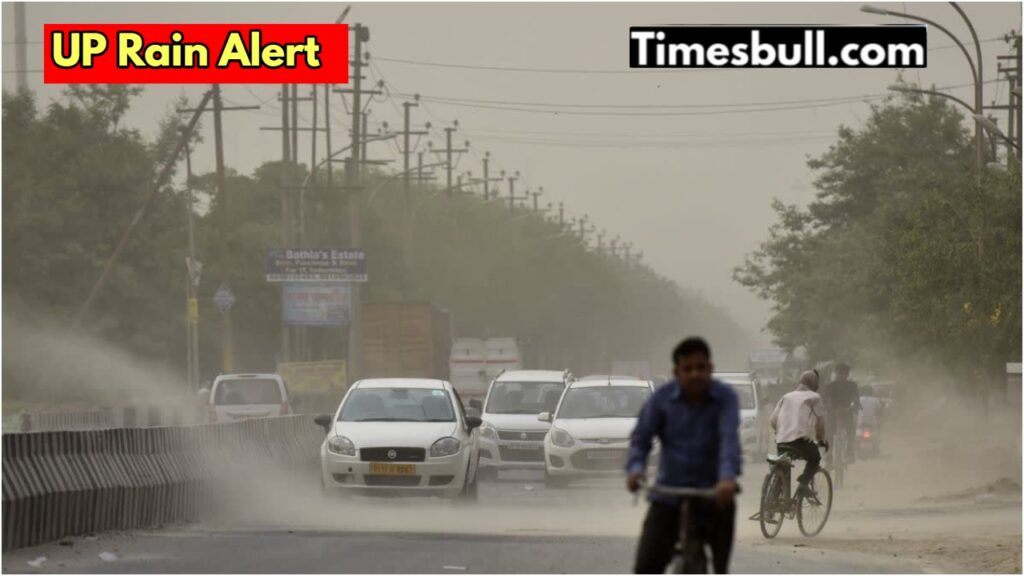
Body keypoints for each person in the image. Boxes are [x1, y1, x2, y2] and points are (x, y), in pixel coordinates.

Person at [626, 337, 742, 574]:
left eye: (700, 368)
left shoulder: (725, 398)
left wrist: (727, 478)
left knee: (721, 567)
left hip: (714, 493)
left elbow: (729, 440)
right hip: (668, 494)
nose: (695, 375)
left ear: (710, 368)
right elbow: (641, 439)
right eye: (687, 369)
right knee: (645, 567)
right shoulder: (661, 399)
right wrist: (635, 469)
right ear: (676, 372)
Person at [770, 370, 827, 497]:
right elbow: (820, 423)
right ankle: (803, 483)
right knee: (815, 458)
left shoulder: (786, 396)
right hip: (799, 441)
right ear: (815, 384)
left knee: (783, 464)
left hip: (781, 440)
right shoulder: (814, 397)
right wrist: (820, 439)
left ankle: (773, 499)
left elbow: (773, 420)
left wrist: (780, 432)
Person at [822, 362, 860, 463]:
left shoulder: (852, 385)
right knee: (828, 433)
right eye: (839, 373)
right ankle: (828, 455)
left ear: (847, 375)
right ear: (836, 373)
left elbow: (856, 398)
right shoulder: (830, 386)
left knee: (851, 431)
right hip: (832, 412)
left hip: (847, 411)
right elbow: (825, 398)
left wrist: (856, 404)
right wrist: (826, 405)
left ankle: (849, 452)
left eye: (843, 373)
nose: (841, 375)